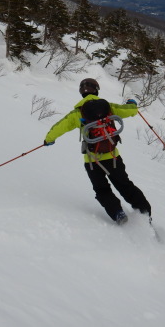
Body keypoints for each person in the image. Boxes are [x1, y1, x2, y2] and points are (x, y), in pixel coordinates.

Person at [43, 78, 151, 225]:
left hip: (92, 160)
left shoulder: (77, 113)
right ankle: (144, 212)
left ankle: (117, 213)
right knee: (125, 185)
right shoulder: (108, 107)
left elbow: (60, 126)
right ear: (96, 90)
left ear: (82, 92)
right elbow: (131, 111)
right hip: (113, 157)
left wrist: (49, 139)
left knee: (101, 189)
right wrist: (132, 104)